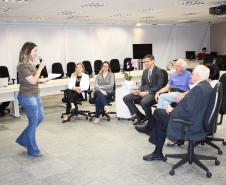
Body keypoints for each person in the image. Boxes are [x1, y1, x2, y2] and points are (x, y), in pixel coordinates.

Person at [142, 65, 212, 161]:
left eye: (193, 73)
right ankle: (158, 150)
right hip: (198, 121)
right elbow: (193, 106)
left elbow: (188, 110)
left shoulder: (198, 89)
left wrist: (172, 110)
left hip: (190, 125)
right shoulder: (206, 86)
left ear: (198, 75)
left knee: (158, 113)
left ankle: (158, 151)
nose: (191, 75)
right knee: (160, 115)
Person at [135, 59, 191, 135]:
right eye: (175, 65)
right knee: (163, 101)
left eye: (177, 66)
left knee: (162, 98)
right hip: (171, 94)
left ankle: (153, 126)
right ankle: (165, 126)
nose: (175, 67)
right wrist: (158, 92)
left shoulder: (188, 74)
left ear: (183, 67)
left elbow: (192, 89)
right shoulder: (173, 74)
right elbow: (167, 87)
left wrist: (182, 94)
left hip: (181, 93)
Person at [16, 42, 47, 157]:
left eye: (37, 51)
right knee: (33, 122)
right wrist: (41, 67)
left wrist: (41, 80)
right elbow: (33, 81)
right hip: (27, 96)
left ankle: (23, 139)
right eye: (35, 51)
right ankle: (32, 149)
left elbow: (34, 79)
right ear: (28, 52)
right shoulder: (23, 66)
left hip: (35, 94)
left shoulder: (30, 64)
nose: (36, 53)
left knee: (40, 118)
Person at [123, 54, 165, 125]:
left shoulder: (159, 71)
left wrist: (146, 92)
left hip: (154, 92)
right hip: (144, 91)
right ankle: (140, 116)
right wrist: (139, 90)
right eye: (144, 62)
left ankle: (150, 119)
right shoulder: (145, 71)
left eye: (147, 61)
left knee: (143, 102)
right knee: (126, 98)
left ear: (153, 61)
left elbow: (159, 86)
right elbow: (143, 84)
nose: (145, 63)